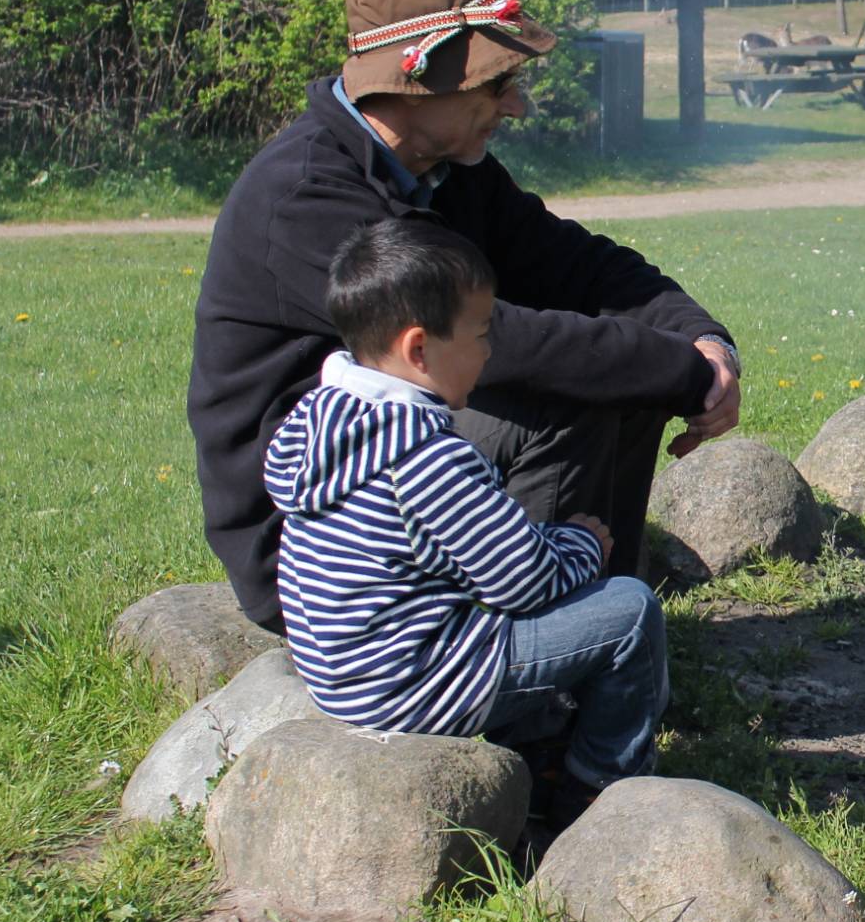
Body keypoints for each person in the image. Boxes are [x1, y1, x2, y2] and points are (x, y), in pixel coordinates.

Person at [190, 0, 739, 636]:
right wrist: (679, 370)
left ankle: (604, 626)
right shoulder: (303, 196)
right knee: (563, 395)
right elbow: (489, 342)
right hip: (317, 549)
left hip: (402, 481)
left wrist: (699, 341)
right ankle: (530, 668)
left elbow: (576, 264)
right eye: (495, 82)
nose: (517, 105)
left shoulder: (450, 170)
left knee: (622, 373)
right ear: (416, 78)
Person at [265, 220, 664, 809]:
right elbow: (522, 583)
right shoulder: (424, 458)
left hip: (345, 678)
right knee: (630, 611)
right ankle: (597, 786)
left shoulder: (326, 420)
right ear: (419, 349)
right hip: (416, 684)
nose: (489, 350)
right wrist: (582, 546)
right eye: (480, 334)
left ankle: (539, 740)